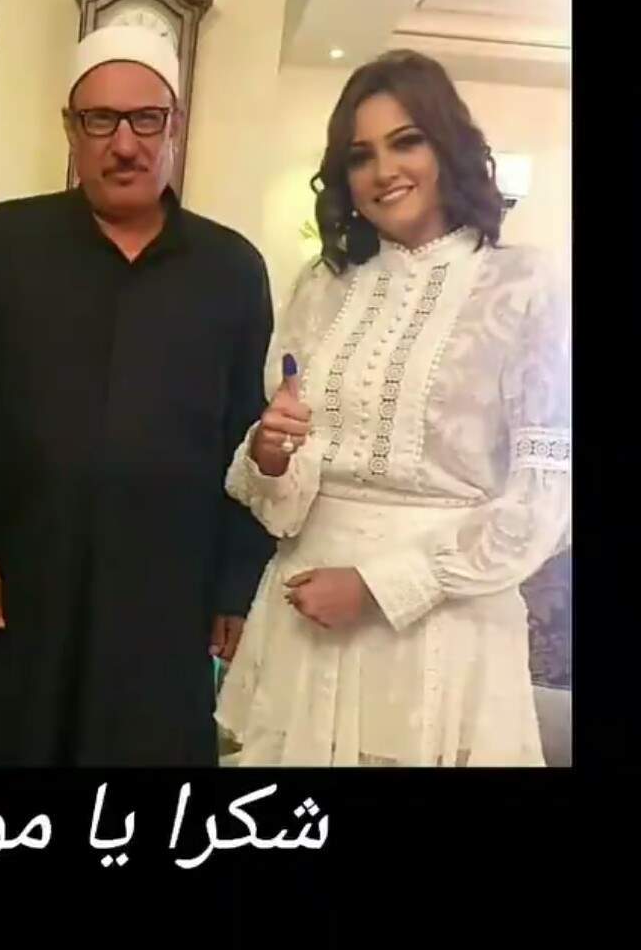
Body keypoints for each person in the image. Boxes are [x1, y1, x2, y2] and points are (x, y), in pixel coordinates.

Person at [0, 23, 275, 766]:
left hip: (162, 598)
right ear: (71, 129)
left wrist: (234, 589)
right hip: (14, 584)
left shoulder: (231, 270)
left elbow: (244, 441)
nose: (125, 144)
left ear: (174, 126)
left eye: (146, 119)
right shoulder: (3, 245)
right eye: (101, 120)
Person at [217, 49, 570, 767]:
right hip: (306, 611)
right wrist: (271, 455)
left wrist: (380, 588)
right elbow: (286, 502)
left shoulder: (524, 285)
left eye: (406, 142)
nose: (383, 171)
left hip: (442, 628)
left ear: (448, 147)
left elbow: (544, 500)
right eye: (360, 155)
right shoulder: (321, 287)